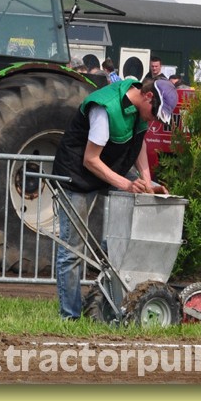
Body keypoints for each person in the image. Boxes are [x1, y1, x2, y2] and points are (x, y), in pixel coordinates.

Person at [52, 77, 177, 319]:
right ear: (148, 97)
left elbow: (139, 144)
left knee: (143, 203)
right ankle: (70, 316)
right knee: (73, 250)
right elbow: (91, 160)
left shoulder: (141, 111)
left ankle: (110, 302)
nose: (154, 120)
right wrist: (128, 184)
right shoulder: (105, 108)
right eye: (155, 114)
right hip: (77, 175)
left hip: (110, 169)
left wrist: (147, 181)